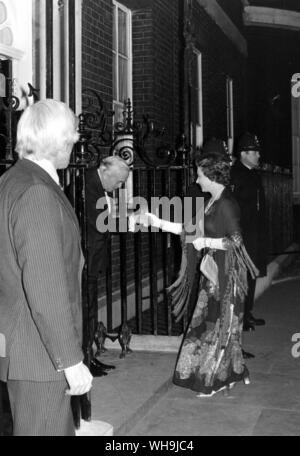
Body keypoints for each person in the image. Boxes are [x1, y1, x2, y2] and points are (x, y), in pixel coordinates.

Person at [0, 99, 93, 436]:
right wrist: (70, 360)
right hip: (41, 355)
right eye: (71, 134)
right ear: (57, 139)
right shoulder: (37, 192)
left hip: (21, 344)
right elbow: (45, 285)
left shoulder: (10, 182)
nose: (75, 140)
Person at [137, 151, 258, 396]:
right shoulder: (212, 202)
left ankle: (214, 378)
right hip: (213, 273)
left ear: (212, 176)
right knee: (210, 324)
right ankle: (229, 373)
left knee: (220, 324)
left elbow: (236, 242)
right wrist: (155, 221)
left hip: (228, 276)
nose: (197, 179)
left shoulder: (226, 204)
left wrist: (207, 244)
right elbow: (189, 230)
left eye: (200, 175)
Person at [84, 156, 130, 372]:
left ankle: (88, 356)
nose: (119, 186)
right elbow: (98, 221)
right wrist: (131, 220)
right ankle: (85, 359)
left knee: (91, 308)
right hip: (85, 258)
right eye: (119, 181)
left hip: (92, 257)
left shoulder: (97, 185)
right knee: (86, 309)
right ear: (104, 170)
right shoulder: (87, 185)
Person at [231, 133, 267, 332]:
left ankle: (248, 312)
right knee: (243, 275)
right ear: (244, 154)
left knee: (252, 274)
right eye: (254, 153)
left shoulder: (253, 174)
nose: (258, 157)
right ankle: (242, 317)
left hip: (255, 232)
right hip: (243, 234)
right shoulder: (236, 174)